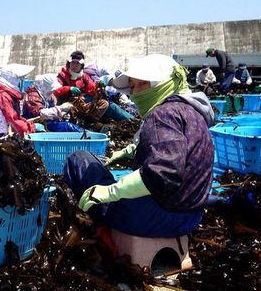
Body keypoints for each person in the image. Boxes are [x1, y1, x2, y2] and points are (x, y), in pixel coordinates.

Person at [64, 54, 214, 238]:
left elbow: (163, 173)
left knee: (79, 159)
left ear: (159, 83)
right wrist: (130, 151)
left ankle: (98, 227)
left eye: (139, 84)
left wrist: (110, 192)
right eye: (132, 87)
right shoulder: (191, 110)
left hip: (157, 219)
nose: (134, 94)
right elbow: (179, 148)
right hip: (191, 217)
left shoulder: (162, 114)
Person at [0, 63, 39, 136]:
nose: (22, 81)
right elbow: (12, 121)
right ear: (12, 79)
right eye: (20, 78)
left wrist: (29, 125)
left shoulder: (10, 95)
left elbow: (17, 117)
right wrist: (31, 128)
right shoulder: (3, 96)